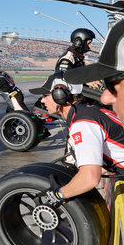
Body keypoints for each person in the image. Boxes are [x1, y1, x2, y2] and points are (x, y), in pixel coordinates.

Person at [29, 71, 124, 204]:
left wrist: (59, 195)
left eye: (45, 95)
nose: (42, 100)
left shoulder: (83, 122)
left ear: (60, 95)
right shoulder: (89, 111)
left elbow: (90, 178)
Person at [65, 19, 124, 121]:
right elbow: (62, 78)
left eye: (113, 86)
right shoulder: (68, 58)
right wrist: (87, 81)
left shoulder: (77, 57)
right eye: (88, 43)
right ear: (79, 42)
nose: (90, 46)